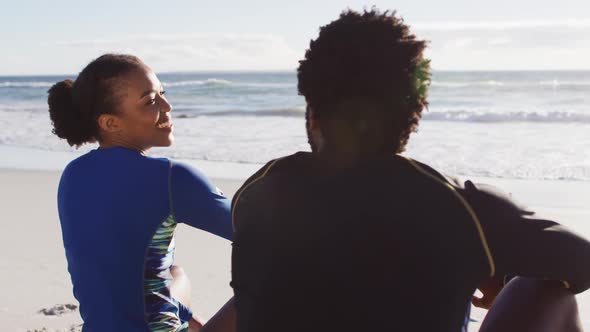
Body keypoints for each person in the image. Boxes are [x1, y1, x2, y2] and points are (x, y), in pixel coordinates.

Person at [230, 9, 590, 332]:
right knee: (545, 288)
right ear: (412, 116)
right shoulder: (457, 206)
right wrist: (503, 273)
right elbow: (581, 260)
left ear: (312, 109)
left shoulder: (258, 193)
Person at [48, 54, 233, 332]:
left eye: (163, 93)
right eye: (150, 101)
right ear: (110, 123)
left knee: (175, 273)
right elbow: (258, 231)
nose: (168, 106)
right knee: (276, 276)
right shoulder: (172, 177)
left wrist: (182, 312)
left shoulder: (73, 174)